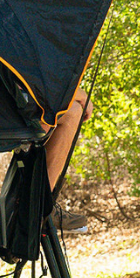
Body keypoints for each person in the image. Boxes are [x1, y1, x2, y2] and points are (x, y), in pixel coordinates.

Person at [43, 86, 91, 233]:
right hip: (6, 113)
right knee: (73, 112)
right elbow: (40, 85)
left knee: (63, 110)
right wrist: (81, 95)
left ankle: (36, 201)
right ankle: (41, 205)